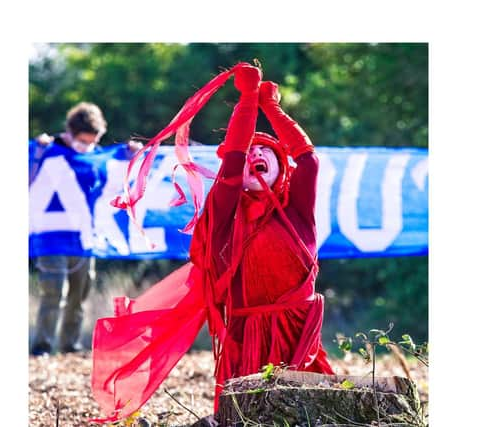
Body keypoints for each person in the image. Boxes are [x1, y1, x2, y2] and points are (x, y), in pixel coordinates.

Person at [90, 64, 333, 422]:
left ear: (283, 170)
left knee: (317, 414)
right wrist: (248, 101)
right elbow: (233, 161)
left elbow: (308, 160)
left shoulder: (297, 213)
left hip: (299, 333)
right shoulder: (224, 217)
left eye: (266, 152)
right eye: (251, 153)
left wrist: (273, 109)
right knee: (245, 415)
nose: (256, 156)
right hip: (245, 337)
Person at [30, 102, 107, 356]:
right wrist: (37, 151)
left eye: (92, 143)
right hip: (51, 237)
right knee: (54, 291)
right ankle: (42, 347)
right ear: (69, 133)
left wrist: (127, 155)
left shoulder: (95, 157)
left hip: (83, 238)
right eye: (82, 142)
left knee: (79, 294)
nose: (86, 148)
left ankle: (70, 346)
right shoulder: (46, 151)